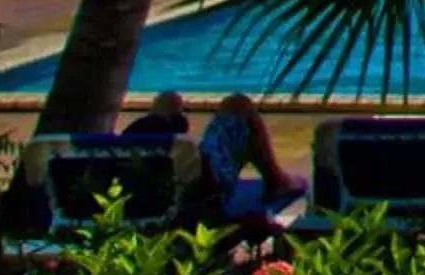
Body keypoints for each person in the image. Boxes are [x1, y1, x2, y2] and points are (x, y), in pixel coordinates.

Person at [123, 92, 307, 222]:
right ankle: (276, 180)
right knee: (238, 104)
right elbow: (205, 183)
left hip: (141, 191)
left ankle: (165, 123)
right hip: (202, 194)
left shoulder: (103, 151)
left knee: (169, 102)